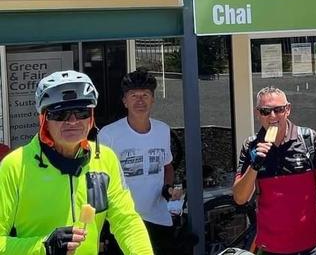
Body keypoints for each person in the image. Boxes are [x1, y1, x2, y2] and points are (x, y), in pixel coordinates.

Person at [0, 70, 153, 255]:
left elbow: (126, 221)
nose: (72, 121)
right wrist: (43, 247)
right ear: (44, 120)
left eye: (81, 112)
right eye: (60, 113)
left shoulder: (105, 158)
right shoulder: (14, 166)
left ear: (91, 118)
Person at [233, 86, 316, 255]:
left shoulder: (309, 139)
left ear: (288, 110)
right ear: (257, 113)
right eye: (265, 111)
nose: (272, 116)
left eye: (278, 110)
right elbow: (240, 198)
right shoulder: (251, 146)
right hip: (270, 248)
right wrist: (254, 166)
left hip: (312, 246)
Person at [98, 68, 181, 255]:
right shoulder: (109, 135)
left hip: (158, 219)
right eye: (133, 95)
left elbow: (167, 166)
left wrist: (168, 189)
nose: (140, 100)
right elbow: (99, 180)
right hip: (123, 222)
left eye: (145, 95)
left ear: (153, 99)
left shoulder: (163, 130)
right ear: (124, 101)